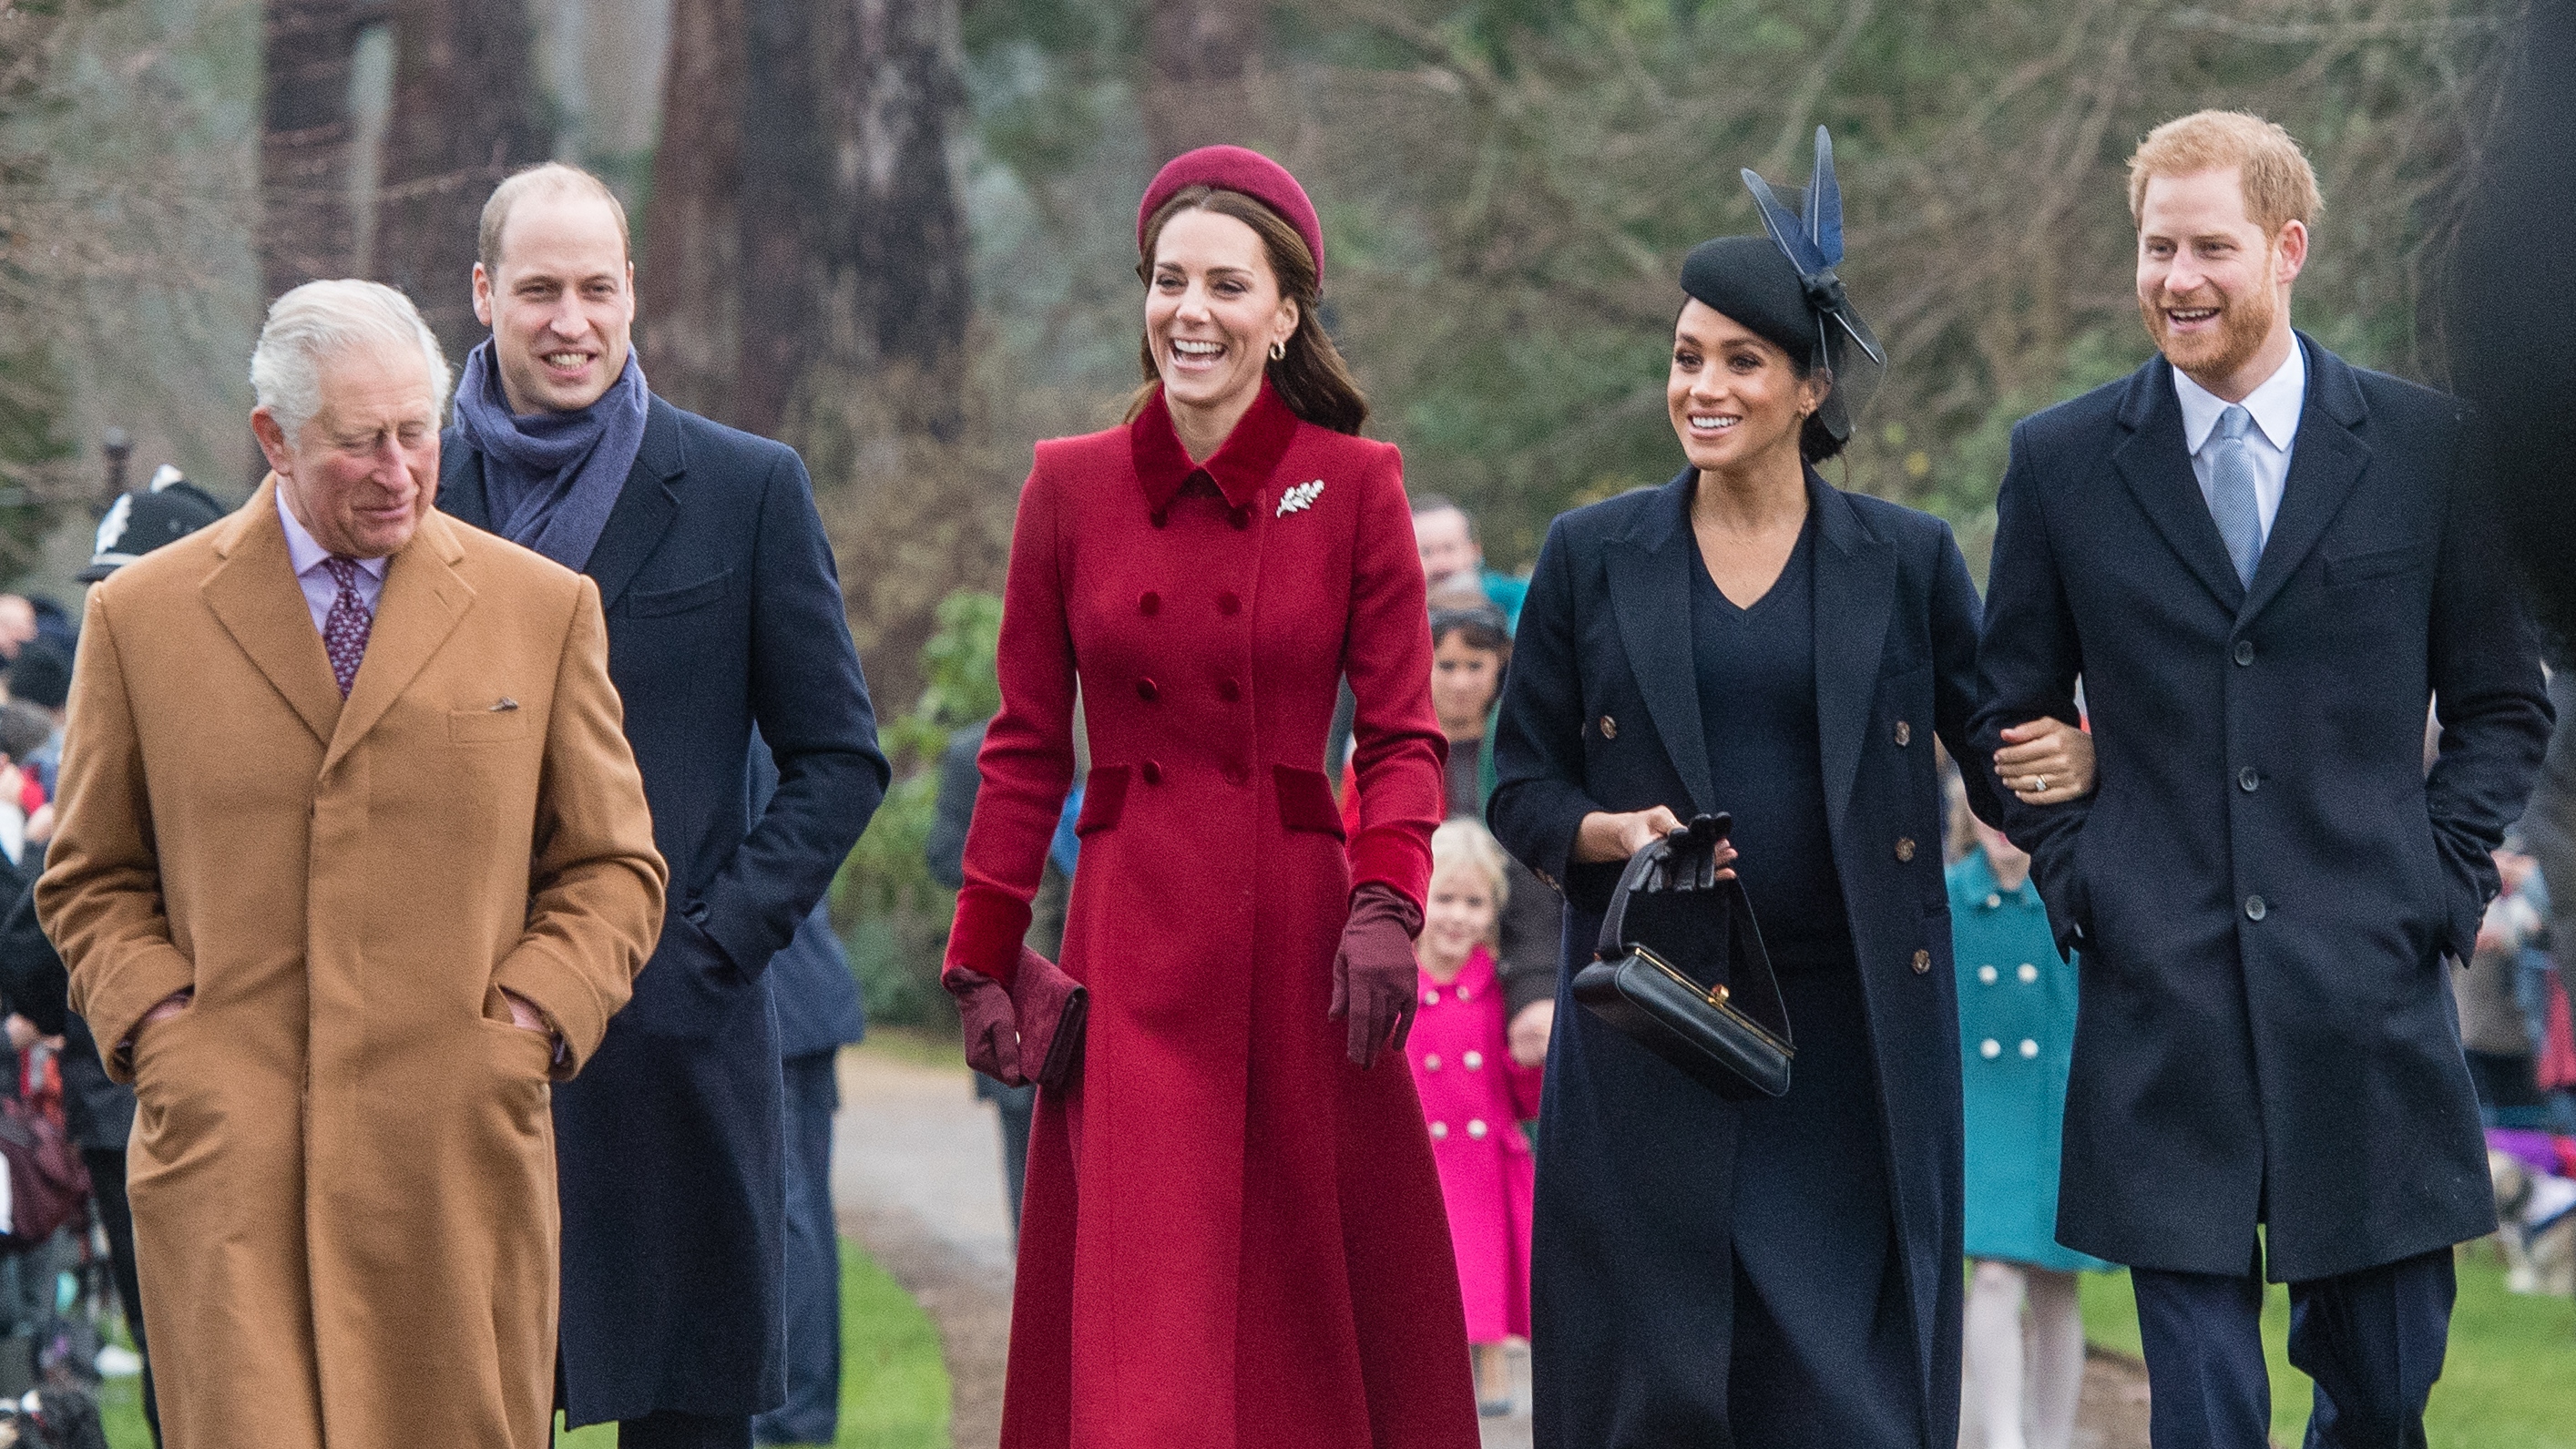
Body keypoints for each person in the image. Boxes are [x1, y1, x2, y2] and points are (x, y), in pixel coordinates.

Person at [1485, 131, 2094, 1447]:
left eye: (1739, 361)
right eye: (1685, 357)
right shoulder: (1591, 558)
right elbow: (1519, 783)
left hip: (1857, 1040)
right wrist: (1608, 829)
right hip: (1658, 1023)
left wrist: (2075, 760)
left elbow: (1998, 747)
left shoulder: (1906, 559)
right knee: (1663, 1383)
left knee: (1848, 1395)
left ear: (1810, 386)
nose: (1702, 386)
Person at [1973, 111, 2552, 1448]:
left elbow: (2502, 705)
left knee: (2387, 1387)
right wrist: (2084, 872)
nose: (2177, 277)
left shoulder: (2427, 451)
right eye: (2156, 246)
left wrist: (2435, 878)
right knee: (2206, 1403)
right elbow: (2006, 711)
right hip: (2159, 1001)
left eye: (2210, 247)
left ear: (2288, 249)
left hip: (2368, 997)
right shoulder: (2060, 463)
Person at [34, 279, 669, 1448]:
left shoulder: (541, 608)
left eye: (417, 432)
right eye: (358, 441)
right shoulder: (144, 618)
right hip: (232, 1164)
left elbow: (612, 867)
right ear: (272, 437)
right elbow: (89, 874)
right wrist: (167, 1032)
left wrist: (527, 1019)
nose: (397, 471)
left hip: (453, 1160)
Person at [940, 144, 1477, 1446]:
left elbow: (1404, 733)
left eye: (1226, 285)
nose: (1192, 311)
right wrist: (983, 953)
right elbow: (1024, 745)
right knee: (1151, 1348)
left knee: (1302, 1333)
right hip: (1132, 949)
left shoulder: (1357, 486)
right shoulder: (1067, 485)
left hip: (1303, 949)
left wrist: (1386, 903)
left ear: (1285, 312)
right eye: (1168, 280)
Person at [436, 162, 889, 1447]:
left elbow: (838, 757)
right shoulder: (412, 495)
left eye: (595, 286)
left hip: (675, 1033)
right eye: (538, 290)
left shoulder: (745, 487)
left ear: (636, 291)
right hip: (461, 1034)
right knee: (460, 1396)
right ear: (484, 295)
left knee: (687, 1413)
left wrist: (716, 939)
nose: (569, 319)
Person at [0, 471, 227, 1447]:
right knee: (190, 1367)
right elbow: (41, 926)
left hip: (157, 1079)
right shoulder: (116, 723)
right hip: (132, 1081)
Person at [1951, 806, 2107, 1449]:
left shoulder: (2069, 891)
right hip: (1983, 1109)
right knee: (1993, 1274)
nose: (1999, 823)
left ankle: (2050, 1437)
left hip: (2056, 1110)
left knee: (2054, 1287)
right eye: (1983, 807)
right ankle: (2006, 1437)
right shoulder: (1950, 896)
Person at [751, 744, 867, 1449]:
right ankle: (796, 1409)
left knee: (791, 1213)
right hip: (797, 997)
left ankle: (794, 1414)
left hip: (784, 1000)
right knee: (798, 1211)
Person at [1407, 819, 1541, 1417]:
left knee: (1483, 1275)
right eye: (1445, 898)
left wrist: (1531, 1056)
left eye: (1474, 901)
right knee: (1423, 1278)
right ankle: (1427, 1378)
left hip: (1485, 1160)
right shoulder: (1399, 982)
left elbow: (1524, 1094)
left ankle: (1490, 1375)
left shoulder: (1498, 986)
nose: (1459, 915)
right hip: (1421, 1163)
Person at [1413, 494, 1528, 628]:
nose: (1441, 565)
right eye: (1425, 552)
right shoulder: (1395, 614)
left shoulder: (1516, 602)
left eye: (1450, 548)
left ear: (1475, 551)